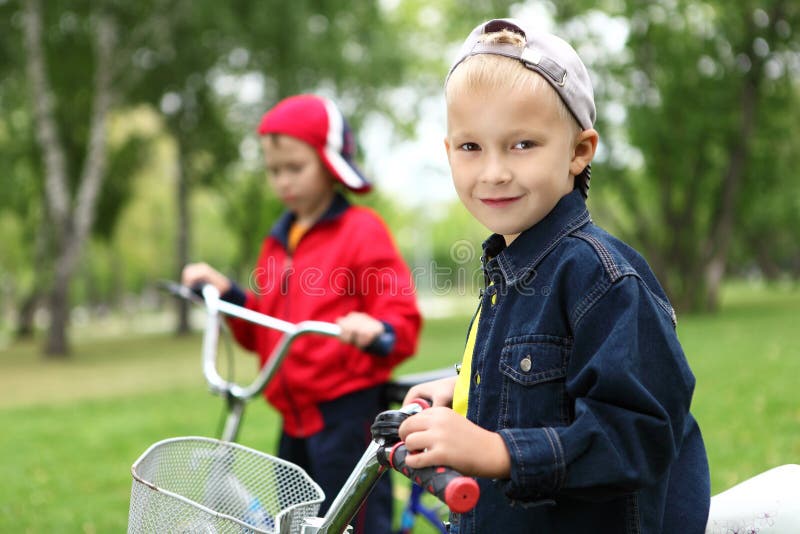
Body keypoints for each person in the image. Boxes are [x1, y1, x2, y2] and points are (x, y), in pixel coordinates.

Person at [399, 18, 710, 533]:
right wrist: (461, 389)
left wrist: (498, 451)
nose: (494, 171)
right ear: (448, 151)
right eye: (471, 147)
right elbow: (543, 378)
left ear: (578, 152)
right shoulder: (510, 267)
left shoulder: (602, 277)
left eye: (522, 145)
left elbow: (638, 434)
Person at [183, 94, 422, 533]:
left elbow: (400, 315)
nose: (283, 182)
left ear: (329, 166)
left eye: (295, 168)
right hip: (293, 421)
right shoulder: (278, 240)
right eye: (274, 171)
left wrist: (378, 328)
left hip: (346, 418)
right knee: (297, 524)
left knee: (354, 525)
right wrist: (229, 295)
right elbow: (263, 331)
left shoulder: (360, 231)